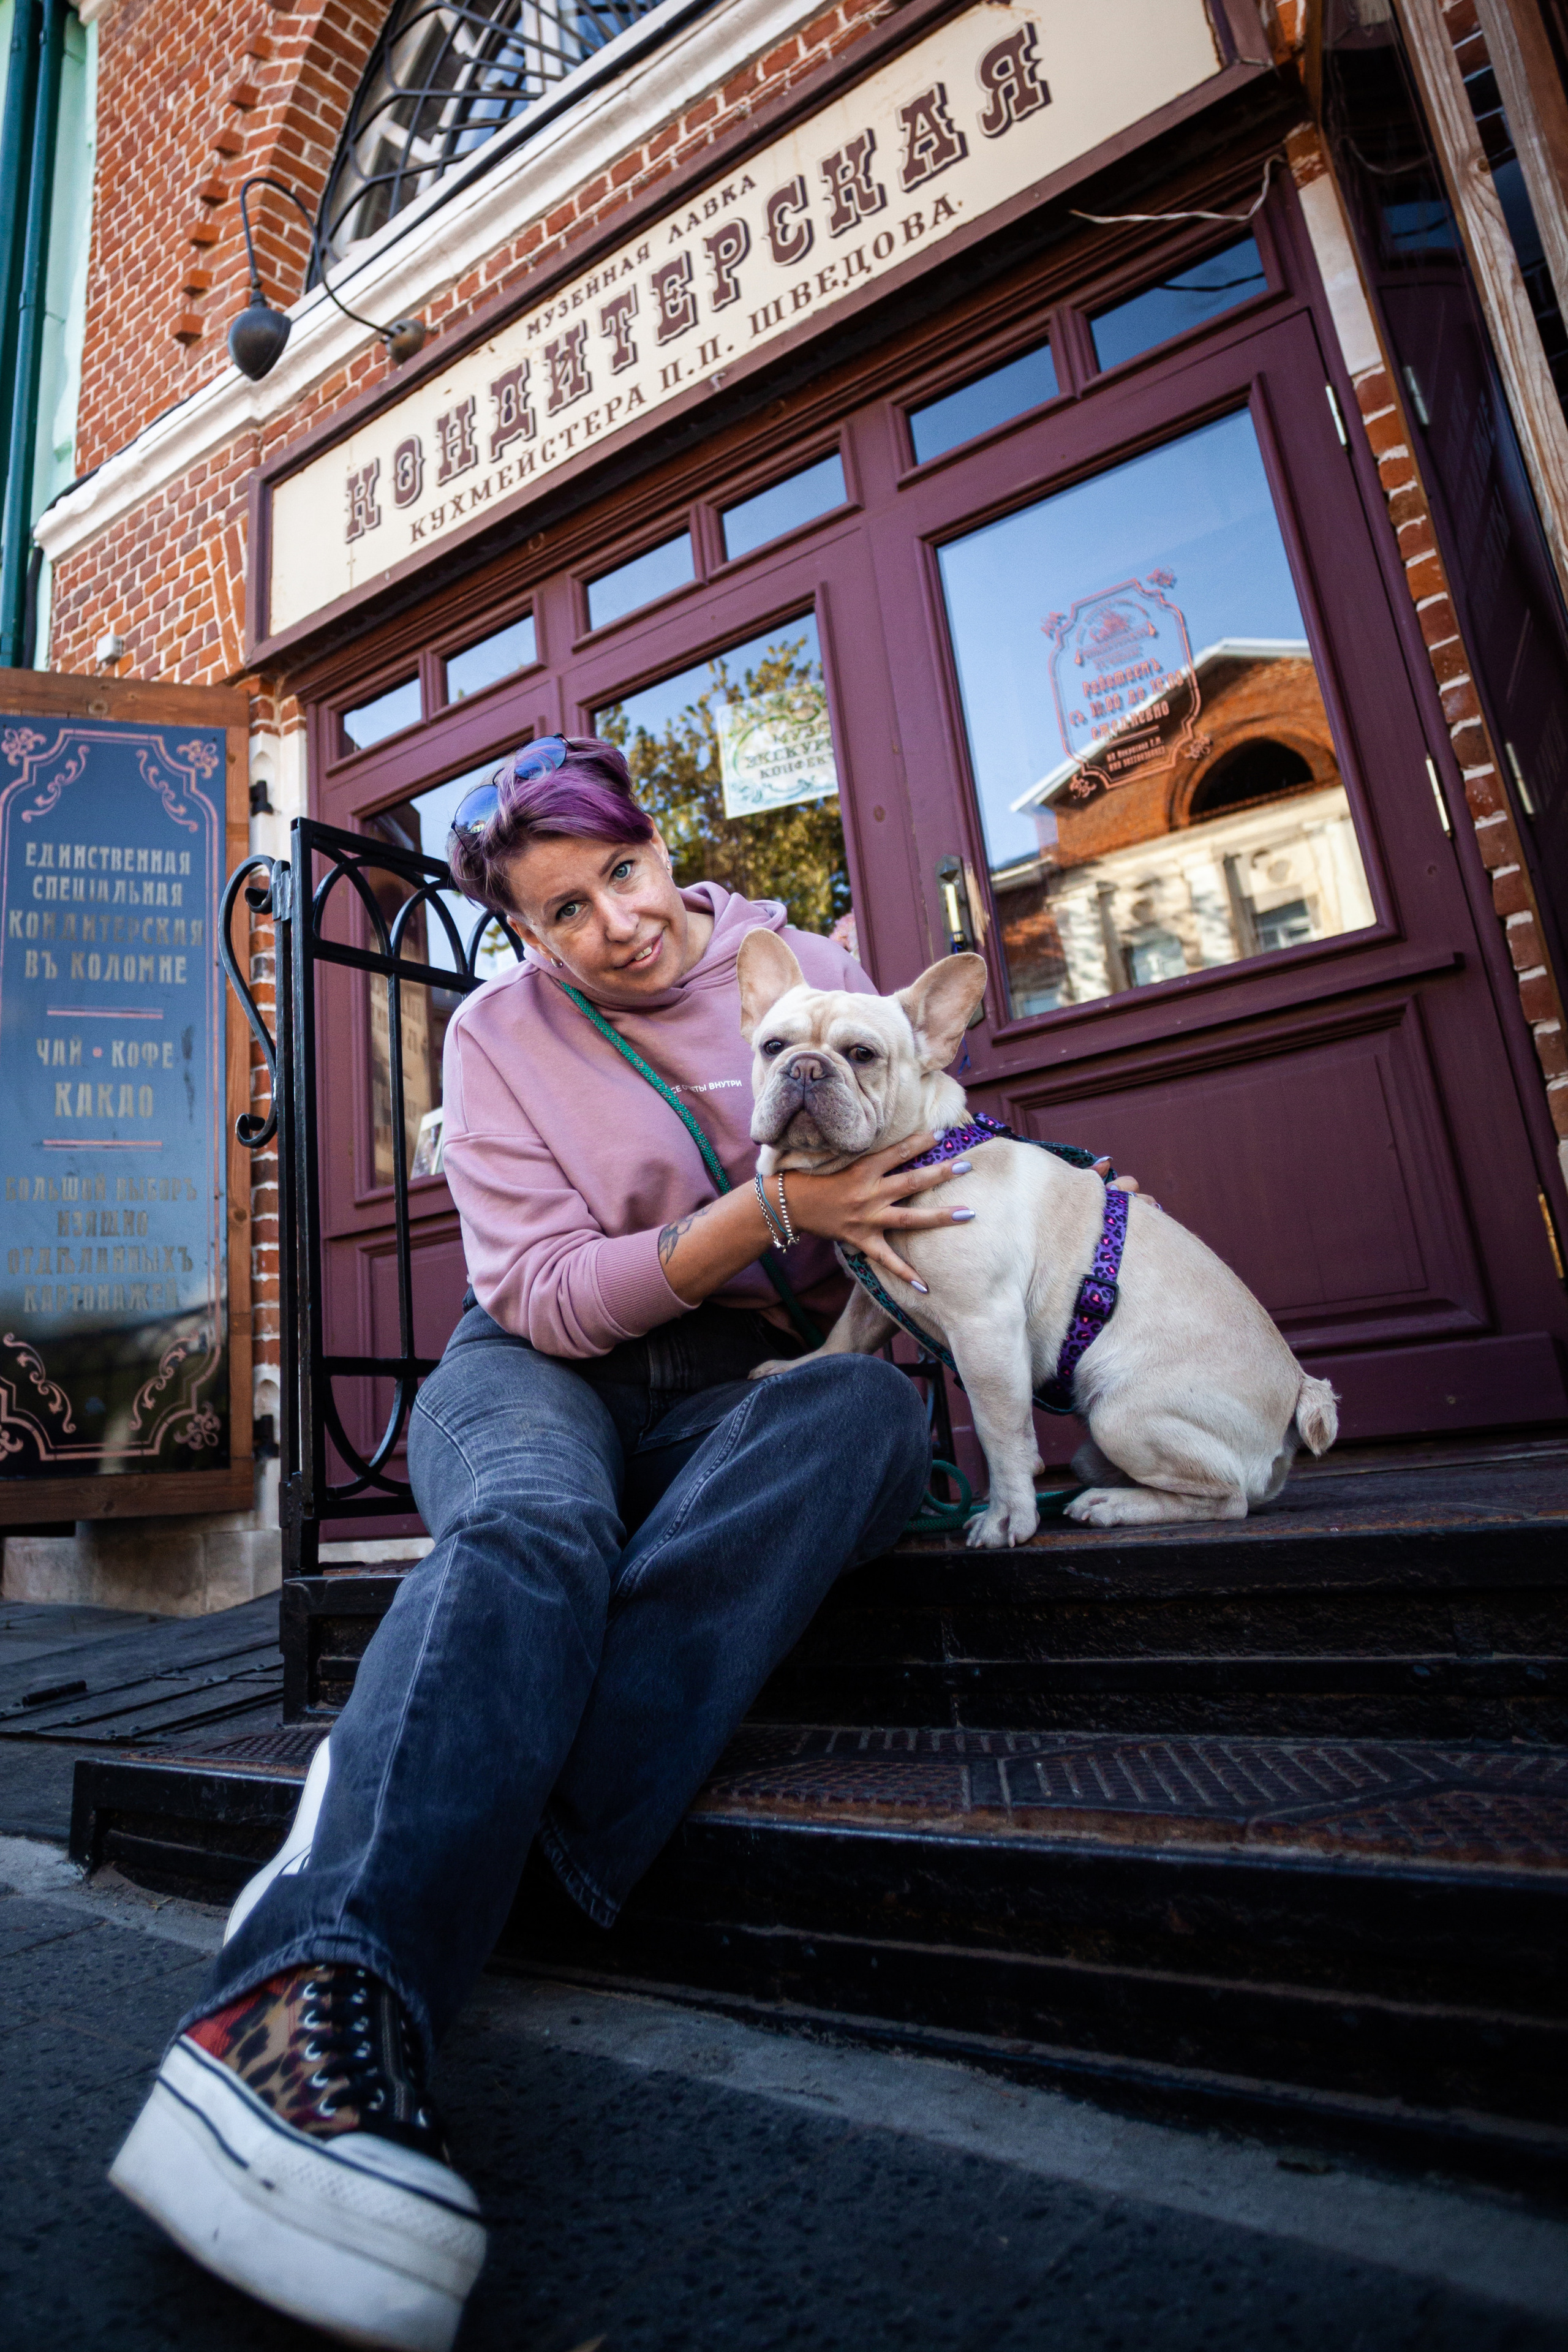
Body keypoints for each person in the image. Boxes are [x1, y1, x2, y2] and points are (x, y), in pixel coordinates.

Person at [106, 736, 981, 2352]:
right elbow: (551, 1295)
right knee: (531, 1530)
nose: (616, 927)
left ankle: (436, 1767)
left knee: (863, 1428)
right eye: (562, 912)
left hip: (748, 1382)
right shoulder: (501, 1041)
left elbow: (933, 1160)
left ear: (668, 851)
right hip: (537, 1370)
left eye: (626, 877)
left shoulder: (799, 967)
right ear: (520, 933)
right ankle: (309, 2005)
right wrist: (773, 1213)